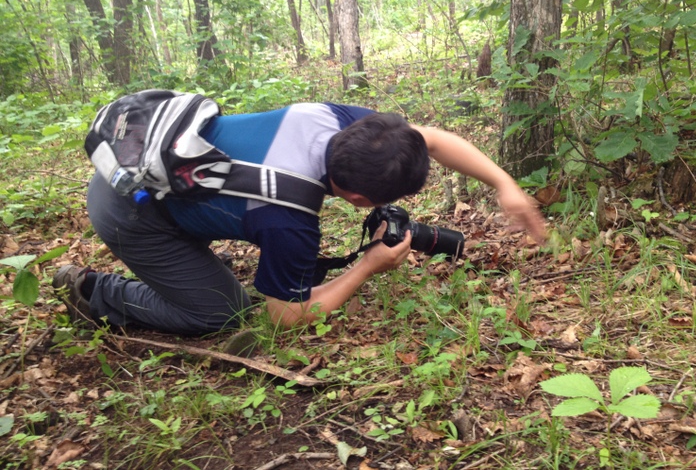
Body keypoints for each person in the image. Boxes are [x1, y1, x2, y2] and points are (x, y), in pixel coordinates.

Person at [54, 102, 546, 334]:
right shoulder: (289, 220)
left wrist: (506, 186)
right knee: (224, 314)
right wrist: (367, 267)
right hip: (128, 211)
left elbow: (431, 139)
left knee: (226, 256)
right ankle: (97, 292)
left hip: (149, 168)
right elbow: (282, 318)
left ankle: (191, 249)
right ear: (355, 197)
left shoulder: (331, 122)